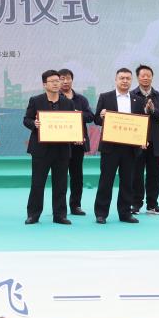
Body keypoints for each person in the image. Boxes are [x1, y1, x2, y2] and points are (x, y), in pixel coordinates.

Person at [22, 70, 76, 225]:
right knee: (37, 183)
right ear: (44, 84)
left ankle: (60, 215)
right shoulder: (36, 100)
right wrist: (34, 123)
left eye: (58, 80)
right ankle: (33, 214)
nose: (56, 83)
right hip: (41, 149)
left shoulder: (68, 103)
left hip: (62, 149)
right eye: (52, 81)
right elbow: (26, 119)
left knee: (61, 184)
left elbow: (72, 123)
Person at [92, 68, 144, 224]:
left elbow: (142, 122)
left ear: (131, 80)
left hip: (130, 147)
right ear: (116, 80)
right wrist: (101, 116)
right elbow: (96, 120)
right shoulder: (105, 97)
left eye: (128, 78)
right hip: (110, 147)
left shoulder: (137, 100)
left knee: (127, 182)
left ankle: (125, 213)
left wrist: (142, 139)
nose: (125, 81)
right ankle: (101, 213)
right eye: (122, 78)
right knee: (106, 181)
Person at [131, 64, 159, 216]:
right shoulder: (131, 95)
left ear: (152, 77)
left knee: (154, 174)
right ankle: (135, 204)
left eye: (148, 75)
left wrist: (153, 110)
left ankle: (152, 205)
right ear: (138, 78)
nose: (146, 78)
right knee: (136, 174)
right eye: (143, 75)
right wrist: (143, 110)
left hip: (155, 141)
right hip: (136, 141)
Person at [58, 68, 95, 216]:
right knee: (60, 176)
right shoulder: (54, 98)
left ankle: (75, 205)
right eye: (62, 78)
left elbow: (90, 116)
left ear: (72, 80)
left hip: (77, 143)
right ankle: (60, 207)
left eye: (68, 78)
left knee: (77, 176)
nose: (65, 81)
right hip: (60, 143)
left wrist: (76, 115)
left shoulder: (81, 99)